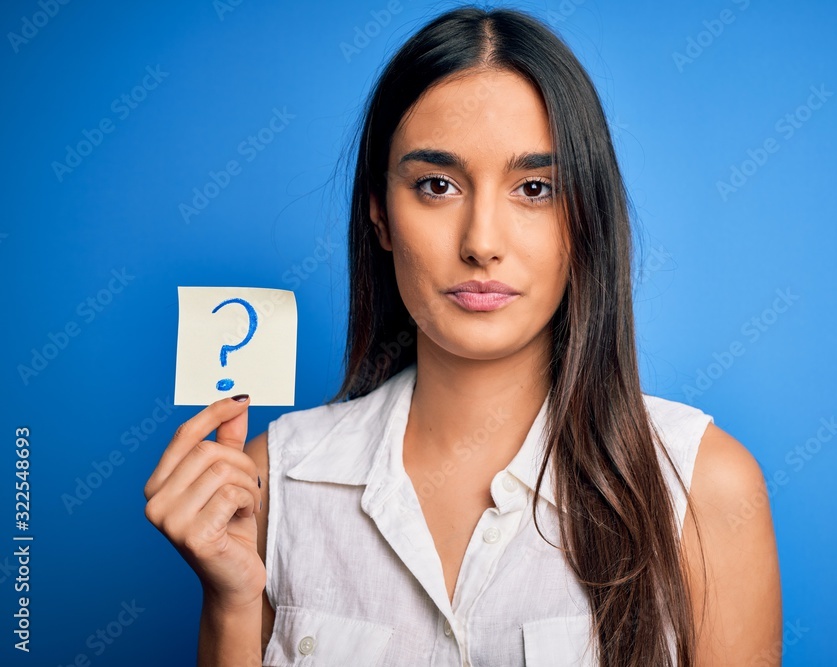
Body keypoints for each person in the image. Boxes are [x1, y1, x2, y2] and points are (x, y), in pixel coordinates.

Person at [144, 5, 781, 666]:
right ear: (380, 214)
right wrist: (232, 602)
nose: (481, 242)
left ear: (586, 216)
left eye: (534, 188)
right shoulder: (269, 482)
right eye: (437, 185)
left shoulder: (703, 488)